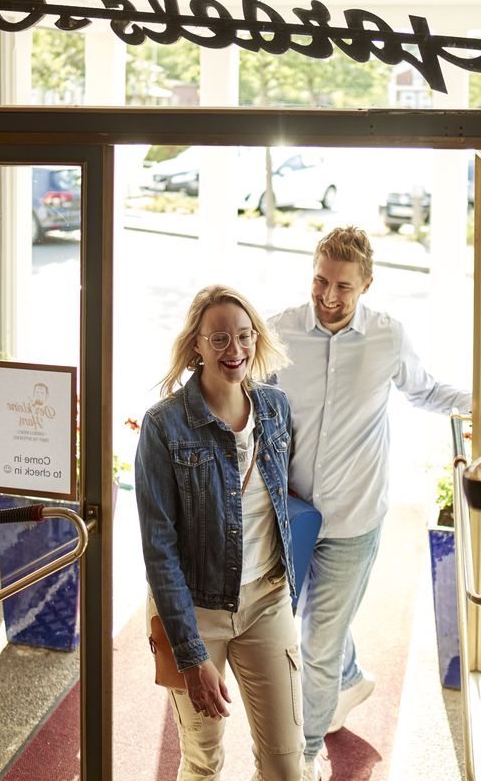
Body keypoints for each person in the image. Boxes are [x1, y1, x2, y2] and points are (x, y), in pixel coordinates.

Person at [269, 226, 471, 777]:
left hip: (355, 519)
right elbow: (245, 395)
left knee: (314, 640)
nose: (329, 297)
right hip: (290, 515)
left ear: (367, 285)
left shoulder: (387, 336)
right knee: (314, 623)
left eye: (343, 287)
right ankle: (350, 679)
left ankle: (306, 753)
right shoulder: (280, 330)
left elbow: (425, 391)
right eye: (321, 281)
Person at [135, 285, 305, 781]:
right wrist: (189, 653)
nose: (236, 351)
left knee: (286, 764)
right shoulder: (164, 426)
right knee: (203, 761)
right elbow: (158, 549)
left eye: (245, 336)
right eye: (220, 339)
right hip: (195, 611)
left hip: (267, 602)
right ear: (197, 346)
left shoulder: (275, 409)